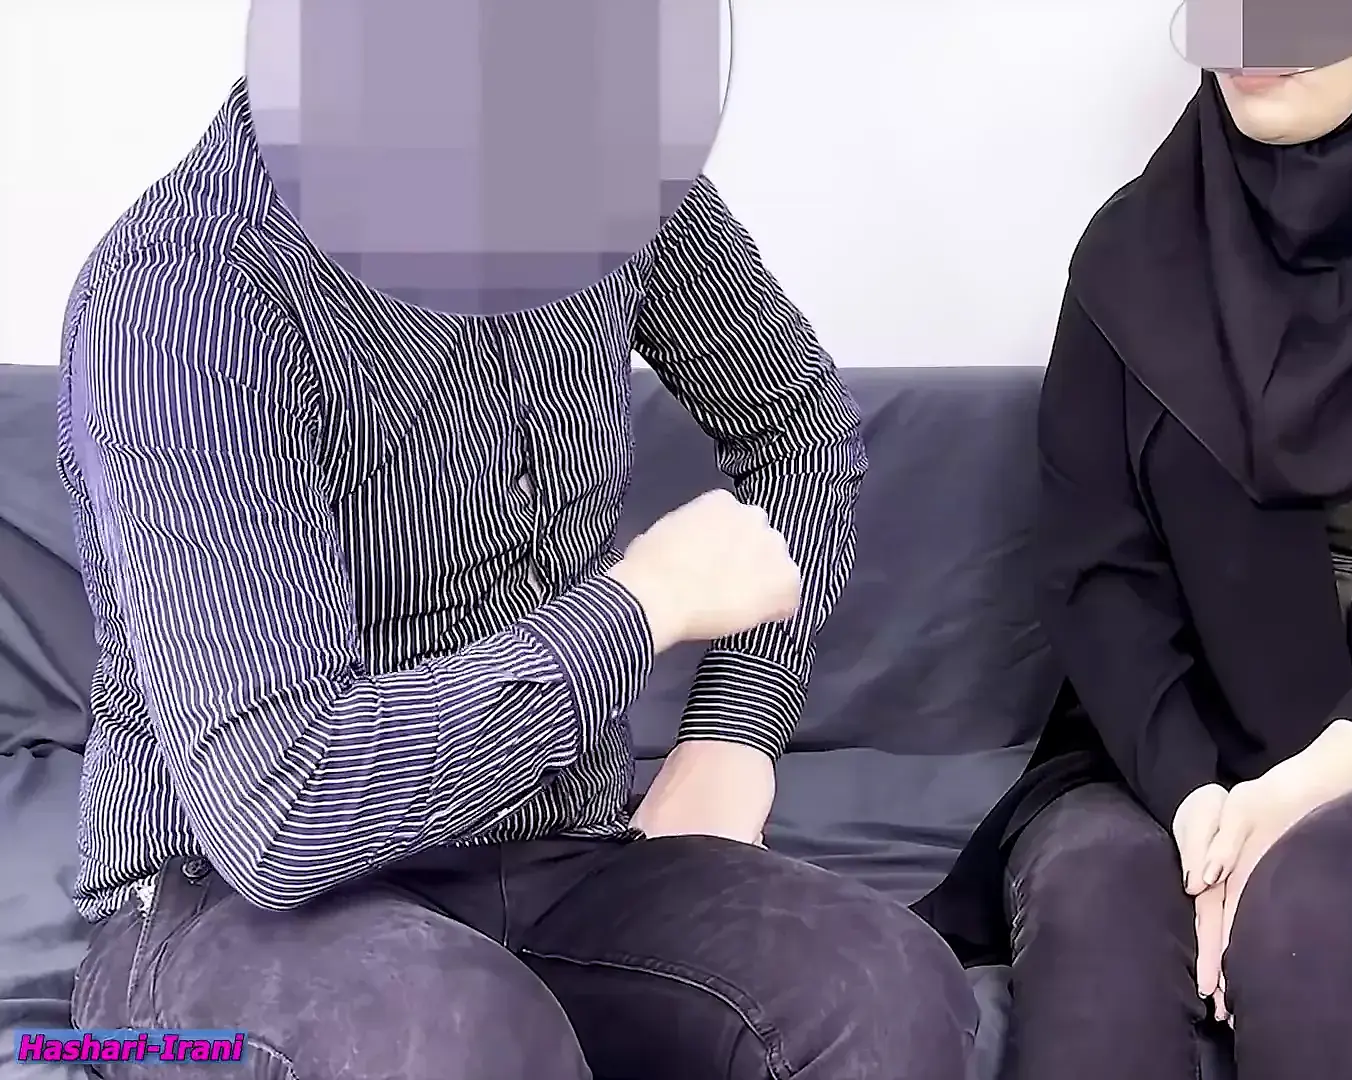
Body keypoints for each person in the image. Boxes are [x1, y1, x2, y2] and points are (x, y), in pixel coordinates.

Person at [60, 80, 976, 1079]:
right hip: (226, 901)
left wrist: (732, 734)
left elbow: (797, 427)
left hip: (557, 850)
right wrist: (642, 607)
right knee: (463, 1038)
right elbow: (283, 813)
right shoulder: (182, 294)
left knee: (883, 989)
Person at [912, 1, 1352, 1077]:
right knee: (1101, 923)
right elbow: (1096, 576)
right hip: (1157, 757)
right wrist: (1201, 806)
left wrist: (1295, 796)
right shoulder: (1130, 253)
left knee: (1313, 913)